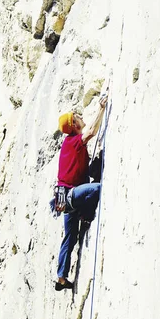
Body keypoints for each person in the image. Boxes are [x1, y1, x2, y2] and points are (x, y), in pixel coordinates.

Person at [55, 95, 108, 291]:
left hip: (64, 197)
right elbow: (92, 131)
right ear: (75, 125)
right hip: (71, 195)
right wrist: (101, 109)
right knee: (99, 188)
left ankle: (61, 277)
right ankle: (86, 214)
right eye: (76, 117)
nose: (79, 116)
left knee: (70, 238)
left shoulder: (68, 143)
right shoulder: (74, 142)